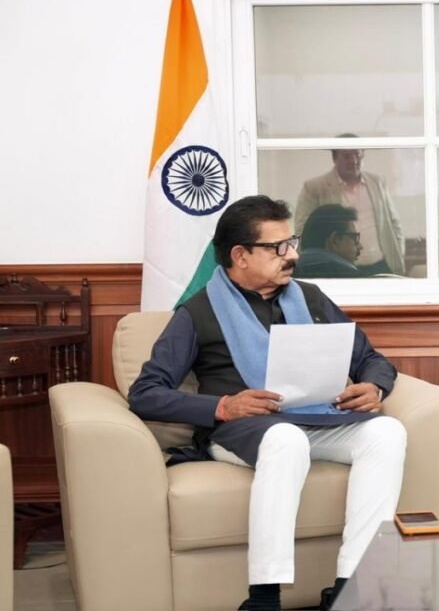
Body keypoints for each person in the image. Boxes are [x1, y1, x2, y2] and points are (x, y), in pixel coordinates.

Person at [129, 195, 406, 611]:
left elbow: (371, 358)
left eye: (291, 243)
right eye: (277, 248)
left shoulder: (311, 299)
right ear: (240, 255)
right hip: (239, 432)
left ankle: (352, 587)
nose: (292, 255)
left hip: (317, 420)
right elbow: (145, 392)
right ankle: (264, 597)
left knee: (386, 432)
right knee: (285, 439)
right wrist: (222, 406)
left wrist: (374, 386)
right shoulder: (198, 312)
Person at [295, 134, 405, 276]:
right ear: (334, 158)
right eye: (347, 156)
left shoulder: (377, 182)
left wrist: (399, 254)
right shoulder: (314, 187)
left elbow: (394, 223)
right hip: (337, 267)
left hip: (381, 264)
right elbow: (302, 229)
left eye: (357, 155)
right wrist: (305, 268)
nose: (354, 160)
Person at [293, 204, 364, 279]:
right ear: (335, 240)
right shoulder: (352, 278)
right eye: (353, 238)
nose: (360, 246)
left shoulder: (289, 275)